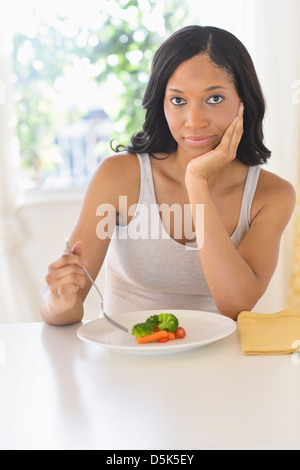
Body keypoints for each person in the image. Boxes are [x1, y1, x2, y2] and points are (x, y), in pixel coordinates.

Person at [40, 25, 296, 326]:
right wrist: (57, 301)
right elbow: (65, 311)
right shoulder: (119, 176)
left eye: (214, 98)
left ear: (244, 102)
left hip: (220, 366)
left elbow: (236, 305)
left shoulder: (271, 195)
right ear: (161, 103)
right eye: (178, 100)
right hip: (127, 357)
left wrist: (196, 181)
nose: (194, 121)